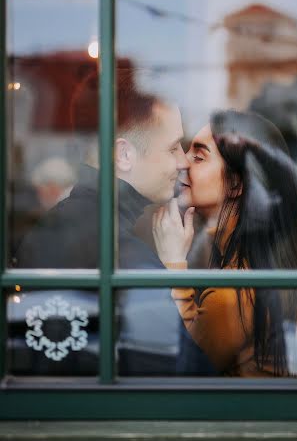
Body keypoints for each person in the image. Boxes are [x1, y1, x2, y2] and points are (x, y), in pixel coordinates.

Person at [15, 66, 216, 377]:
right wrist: (172, 271)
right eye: (172, 147)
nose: (182, 160)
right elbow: (186, 374)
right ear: (123, 155)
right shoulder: (126, 257)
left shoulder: (54, 225)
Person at [153, 109, 297, 377]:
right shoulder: (261, 268)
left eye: (199, 156)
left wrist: (172, 265)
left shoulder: (232, 295)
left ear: (236, 183)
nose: (183, 163)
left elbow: (178, 370)